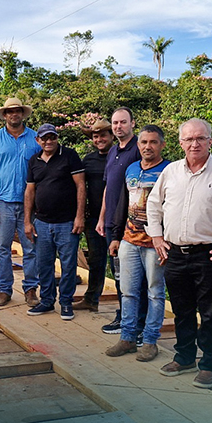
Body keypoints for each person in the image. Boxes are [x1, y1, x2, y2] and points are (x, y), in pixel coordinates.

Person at [147, 119, 212, 389]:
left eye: (200, 138)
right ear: (180, 142)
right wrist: (157, 237)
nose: (194, 144)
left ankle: (209, 365)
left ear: (210, 141)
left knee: (210, 313)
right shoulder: (171, 171)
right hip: (174, 253)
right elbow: (153, 204)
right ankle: (184, 357)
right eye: (189, 139)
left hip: (211, 253)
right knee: (182, 310)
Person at [107, 125, 170, 361]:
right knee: (128, 292)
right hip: (129, 241)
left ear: (162, 145)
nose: (147, 147)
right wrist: (115, 236)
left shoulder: (169, 170)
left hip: (155, 245)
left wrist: (166, 240)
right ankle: (127, 338)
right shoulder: (132, 169)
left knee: (155, 293)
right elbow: (123, 204)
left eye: (153, 142)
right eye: (143, 142)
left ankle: (150, 341)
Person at [0, 97, 41, 307]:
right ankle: (4, 289)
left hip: (29, 204)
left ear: (23, 114)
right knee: (3, 247)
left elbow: (42, 169)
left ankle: (31, 289)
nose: (14, 114)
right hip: (4, 202)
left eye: (17, 111)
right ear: (4, 115)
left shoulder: (35, 138)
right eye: (10, 111)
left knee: (30, 248)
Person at [23, 124, 85, 320]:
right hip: (41, 222)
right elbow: (30, 191)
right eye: (44, 138)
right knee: (44, 264)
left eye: (52, 137)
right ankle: (47, 301)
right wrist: (27, 221)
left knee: (68, 265)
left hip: (67, 222)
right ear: (38, 140)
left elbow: (81, 185)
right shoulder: (34, 160)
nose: (48, 141)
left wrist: (79, 216)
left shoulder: (69, 155)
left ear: (57, 138)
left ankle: (66, 302)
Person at [96, 107, 145, 337]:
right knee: (117, 274)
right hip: (110, 222)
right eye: (115, 123)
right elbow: (109, 186)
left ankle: (137, 322)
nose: (118, 127)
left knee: (135, 277)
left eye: (123, 122)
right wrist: (101, 217)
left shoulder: (138, 149)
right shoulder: (114, 150)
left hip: (131, 225)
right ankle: (124, 315)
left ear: (132, 123)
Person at [74, 119, 113, 312]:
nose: (99, 139)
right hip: (94, 218)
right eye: (96, 136)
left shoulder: (119, 157)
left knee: (117, 264)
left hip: (116, 219)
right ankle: (91, 299)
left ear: (112, 136)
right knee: (96, 260)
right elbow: (80, 186)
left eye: (103, 135)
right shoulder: (88, 160)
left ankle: (126, 308)